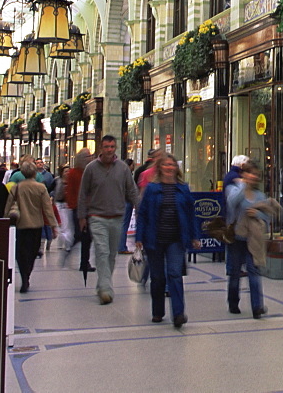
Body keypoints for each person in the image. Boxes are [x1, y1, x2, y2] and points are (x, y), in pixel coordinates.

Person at [135, 153, 201, 327]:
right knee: (157, 278)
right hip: (154, 239)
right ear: (159, 168)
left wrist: (195, 236)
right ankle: (158, 311)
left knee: (174, 273)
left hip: (176, 239)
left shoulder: (183, 189)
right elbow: (142, 214)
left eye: (172, 165)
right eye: (166, 165)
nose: (170, 168)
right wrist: (139, 237)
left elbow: (190, 214)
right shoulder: (152, 189)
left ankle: (178, 313)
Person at [78, 135, 140, 304]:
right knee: (102, 251)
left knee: (111, 254)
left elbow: (132, 190)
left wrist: (139, 208)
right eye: (106, 146)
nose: (109, 150)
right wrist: (82, 216)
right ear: (101, 148)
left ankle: (102, 283)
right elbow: (83, 193)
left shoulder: (123, 168)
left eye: (112, 146)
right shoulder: (91, 168)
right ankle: (106, 289)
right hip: (97, 217)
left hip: (116, 217)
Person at [226, 162, 280, 318]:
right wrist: (243, 187)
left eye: (256, 174)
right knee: (235, 272)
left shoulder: (260, 196)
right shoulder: (233, 189)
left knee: (254, 271)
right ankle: (233, 302)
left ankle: (257, 306)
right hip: (236, 237)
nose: (253, 177)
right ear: (244, 174)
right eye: (250, 173)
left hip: (253, 239)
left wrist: (256, 214)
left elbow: (267, 217)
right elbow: (231, 204)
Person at [4, 162, 58, 293]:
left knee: (21, 252)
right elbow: (47, 208)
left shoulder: (16, 188)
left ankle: (23, 275)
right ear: (35, 173)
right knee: (33, 251)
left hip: (21, 224)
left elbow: (8, 207)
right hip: (36, 224)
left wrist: (4, 221)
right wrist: (53, 225)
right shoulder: (40, 188)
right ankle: (27, 274)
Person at [62, 149, 95, 273]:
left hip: (81, 208)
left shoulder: (78, 173)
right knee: (85, 236)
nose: (90, 158)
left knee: (83, 236)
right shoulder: (78, 174)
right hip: (81, 208)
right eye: (88, 156)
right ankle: (83, 262)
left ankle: (82, 260)